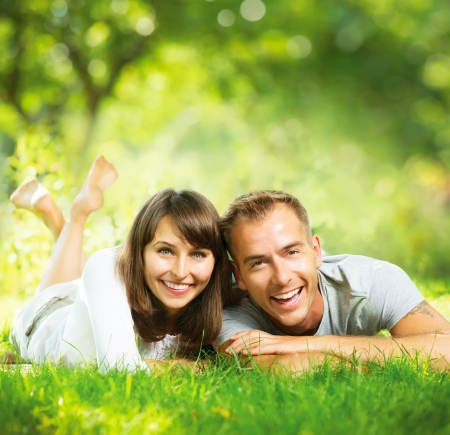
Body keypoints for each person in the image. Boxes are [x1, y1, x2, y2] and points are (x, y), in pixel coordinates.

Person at [9, 155, 232, 372]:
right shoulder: (106, 266)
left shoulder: (226, 285)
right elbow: (121, 369)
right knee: (81, 281)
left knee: (91, 280)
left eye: (198, 255)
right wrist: (201, 366)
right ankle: (77, 213)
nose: (181, 272)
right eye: (166, 251)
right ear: (139, 251)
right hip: (48, 315)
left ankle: (56, 217)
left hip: (95, 292)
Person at [217, 190, 450, 371]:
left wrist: (301, 344)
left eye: (292, 252)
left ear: (316, 251)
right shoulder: (225, 311)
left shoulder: (372, 281)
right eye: (258, 263)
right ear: (238, 275)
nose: (282, 277)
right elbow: (287, 370)